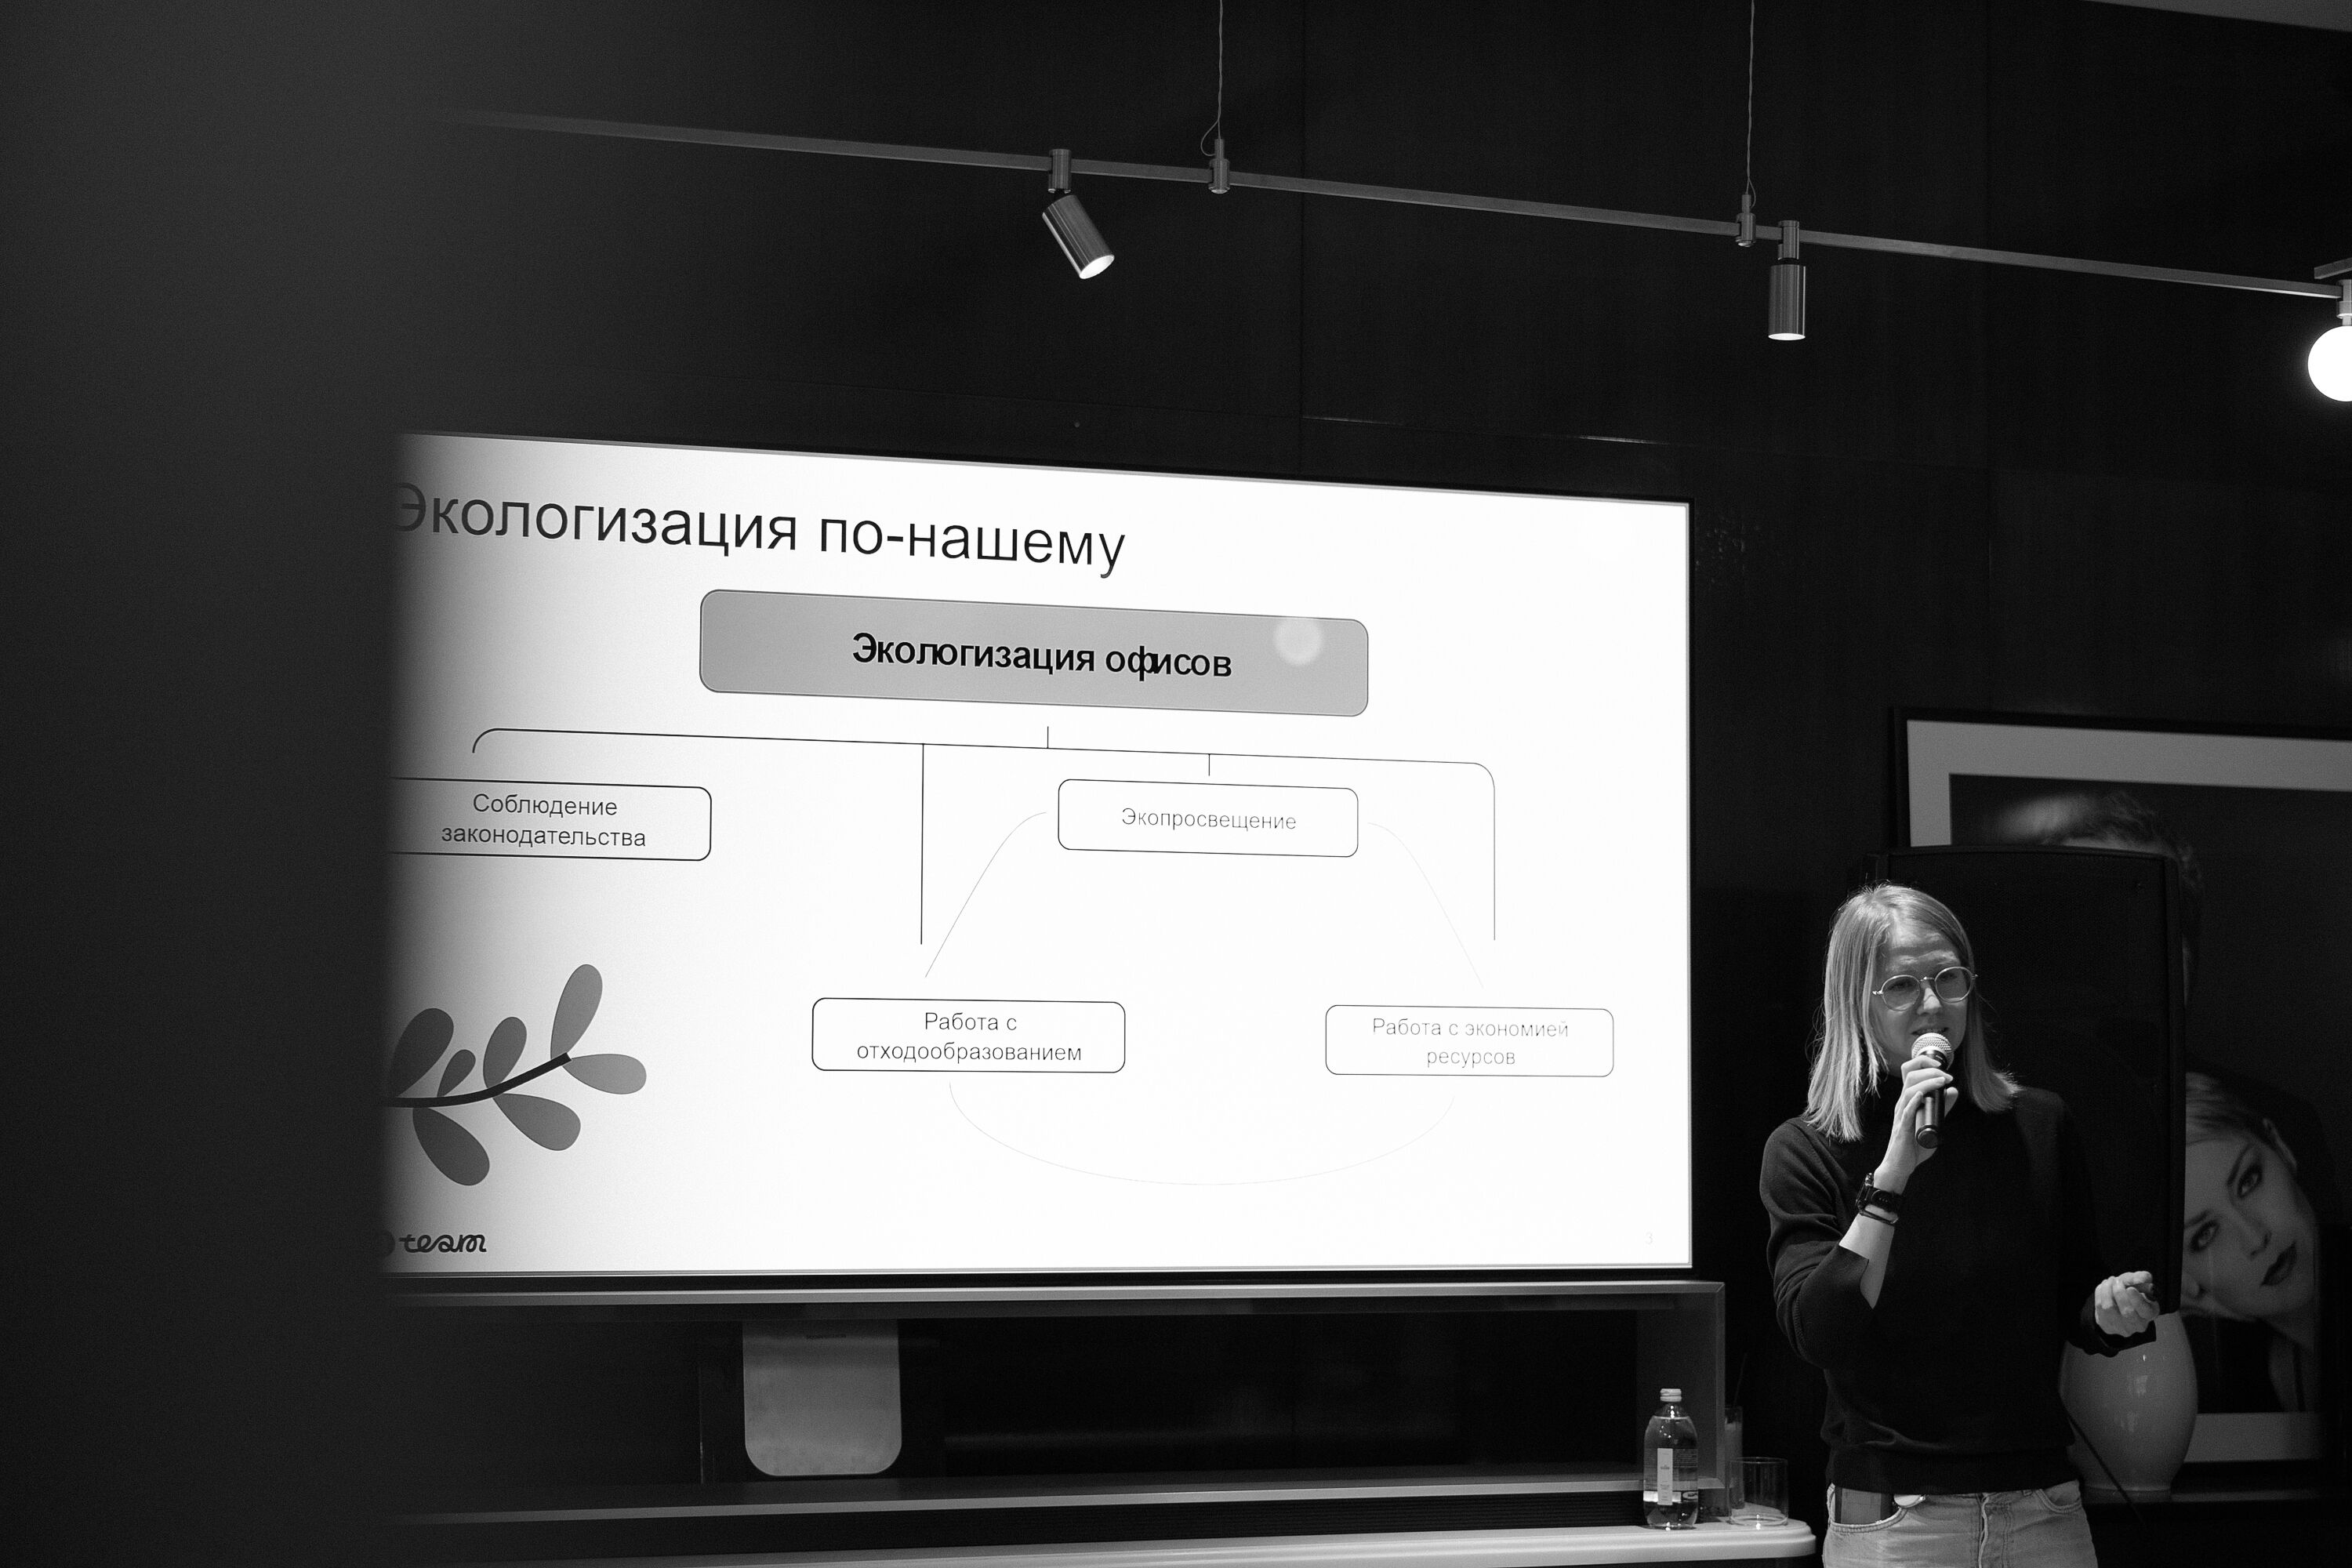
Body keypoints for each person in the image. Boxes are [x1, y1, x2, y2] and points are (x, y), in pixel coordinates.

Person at [1760, 884, 2161, 1566]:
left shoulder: (2039, 1124)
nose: (1932, 1004)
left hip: (2042, 1508)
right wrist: (1892, 1175)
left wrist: (2108, 1309)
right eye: (1901, 986)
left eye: (1948, 978)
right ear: (1856, 1002)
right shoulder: (1806, 1150)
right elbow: (1821, 1331)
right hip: (1896, 1517)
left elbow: (2073, 1295)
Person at [2180, 1071, 2323, 1413]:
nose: (2255, 1238)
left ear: (2280, 1147)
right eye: (2205, 1235)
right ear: (2185, 1281)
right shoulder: (2239, 1387)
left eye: (2248, 1181)